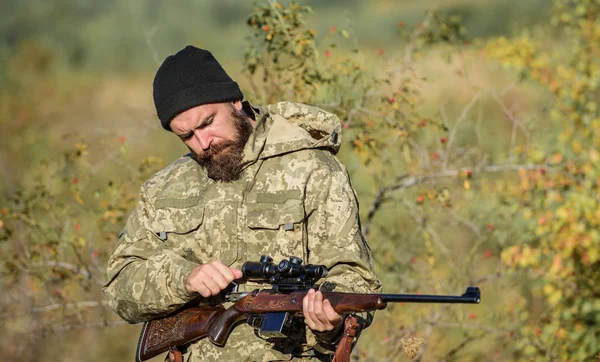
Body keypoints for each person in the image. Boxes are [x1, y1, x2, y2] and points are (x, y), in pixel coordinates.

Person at [103, 45, 381, 361]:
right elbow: (119, 285)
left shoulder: (313, 169)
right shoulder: (163, 188)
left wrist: (330, 324)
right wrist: (184, 277)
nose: (202, 143)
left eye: (207, 123)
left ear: (235, 101)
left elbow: (355, 279)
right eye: (187, 136)